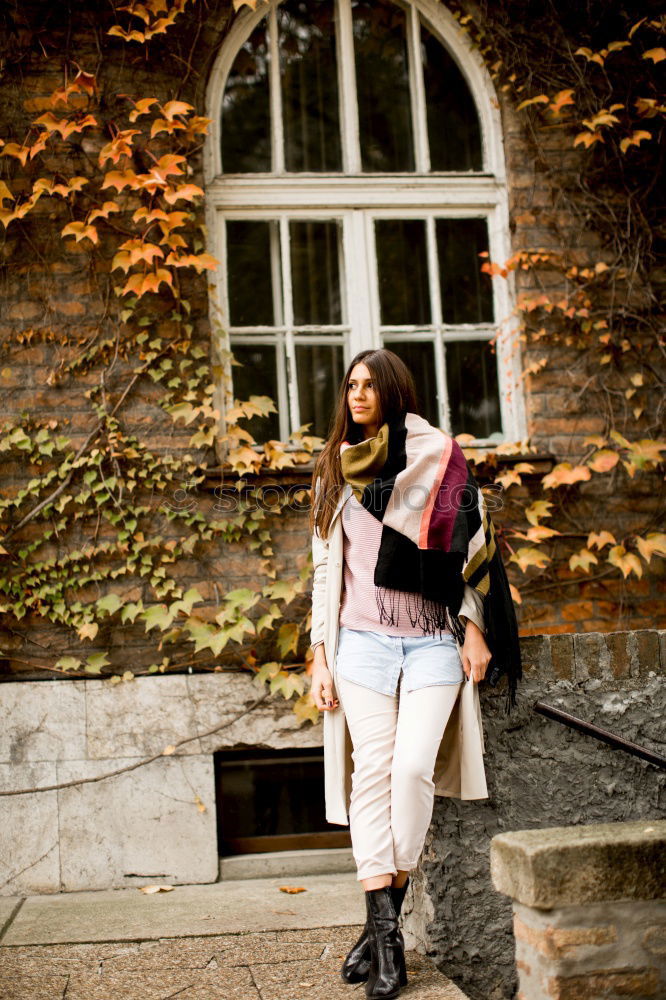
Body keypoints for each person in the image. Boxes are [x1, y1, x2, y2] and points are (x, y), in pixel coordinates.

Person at [308, 348, 522, 999]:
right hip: (364, 646)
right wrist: (320, 653)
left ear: (396, 394)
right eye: (351, 385)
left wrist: (477, 630)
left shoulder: (440, 462)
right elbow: (325, 573)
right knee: (374, 770)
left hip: (431, 642)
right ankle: (390, 938)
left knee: (411, 770)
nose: (358, 395)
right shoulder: (334, 473)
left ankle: (379, 927)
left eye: (371, 386)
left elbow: (476, 553)